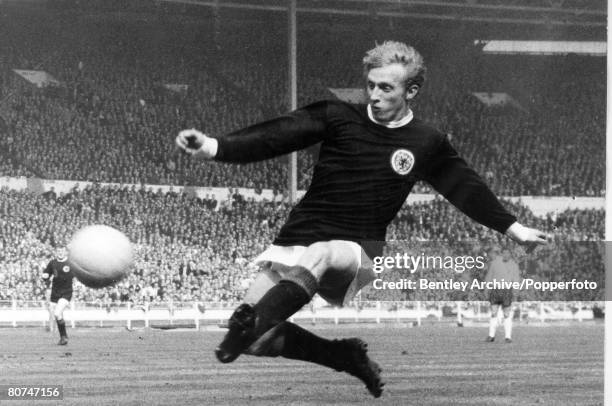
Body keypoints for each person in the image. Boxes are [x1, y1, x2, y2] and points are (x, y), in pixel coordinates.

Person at [175, 40, 548, 398]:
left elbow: (465, 188)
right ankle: (343, 356)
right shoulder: (336, 116)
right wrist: (211, 146)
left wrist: (514, 229)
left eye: (386, 87)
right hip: (299, 238)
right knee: (258, 340)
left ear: (411, 91)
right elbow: (275, 135)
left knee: (318, 256)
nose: (374, 95)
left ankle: (241, 328)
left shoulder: (426, 141)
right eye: (370, 85)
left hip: (358, 249)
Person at [485, 247, 521, 343]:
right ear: (501, 254)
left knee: (506, 314)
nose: (506, 255)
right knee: (493, 313)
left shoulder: (514, 265)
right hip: (495, 290)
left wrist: (515, 292)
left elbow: (516, 279)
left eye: (507, 253)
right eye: (504, 253)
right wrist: (486, 289)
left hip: (506, 291)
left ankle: (508, 337)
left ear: (510, 254)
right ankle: (491, 336)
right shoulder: (494, 264)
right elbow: (489, 277)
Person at [42, 246, 75, 345]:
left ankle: (64, 337)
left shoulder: (71, 263)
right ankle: (63, 338)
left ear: (65, 252)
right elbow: (46, 274)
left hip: (66, 292)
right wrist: (45, 276)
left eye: (62, 250)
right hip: (55, 293)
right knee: (56, 314)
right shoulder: (52, 263)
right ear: (56, 252)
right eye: (58, 250)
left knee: (57, 313)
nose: (60, 252)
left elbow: (79, 274)